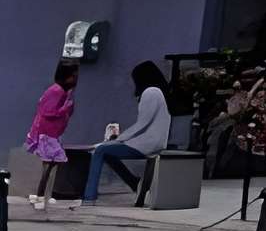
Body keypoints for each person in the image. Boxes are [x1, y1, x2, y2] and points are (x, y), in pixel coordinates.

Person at [81, 62, 173, 204]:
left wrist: (118, 140)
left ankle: (89, 197)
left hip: (147, 143)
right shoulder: (157, 93)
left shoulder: (151, 92)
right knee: (106, 152)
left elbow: (142, 124)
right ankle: (133, 182)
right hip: (151, 141)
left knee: (100, 150)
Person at [24, 58, 77, 211]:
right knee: (49, 164)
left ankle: (43, 194)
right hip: (47, 134)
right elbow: (47, 112)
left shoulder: (61, 92)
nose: (74, 79)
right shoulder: (57, 91)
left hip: (50, 133)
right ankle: (40, 195)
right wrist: (65, 108)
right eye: (72, 76)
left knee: (51, 164)